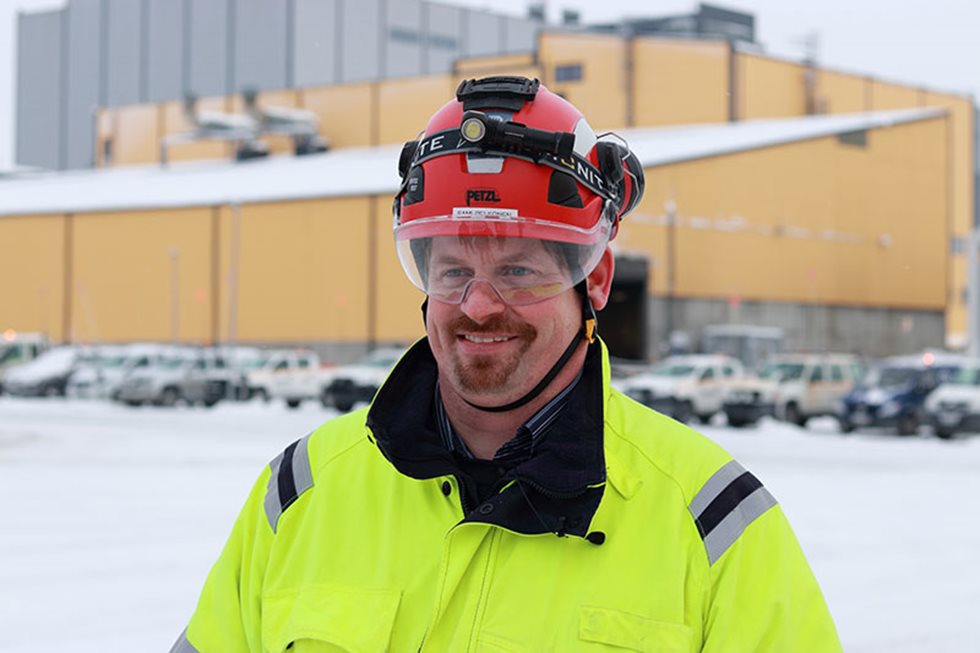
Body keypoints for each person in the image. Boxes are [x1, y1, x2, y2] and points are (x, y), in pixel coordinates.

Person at [170, 76, 841, 652]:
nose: (480, 304)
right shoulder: (304, 491)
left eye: (519, 270)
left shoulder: (713, 522)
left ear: (596, 279)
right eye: (454, 269)